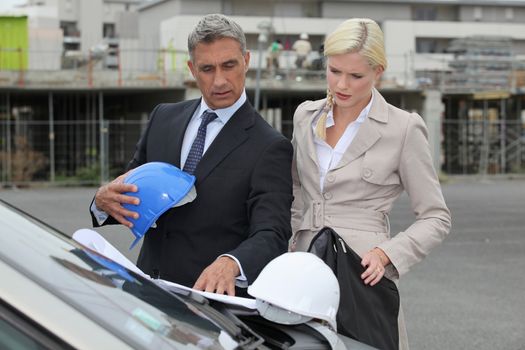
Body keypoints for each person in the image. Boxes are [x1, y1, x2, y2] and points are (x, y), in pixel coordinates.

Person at [90, 13, 293, 297]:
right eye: (207, 68)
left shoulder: (271, 146)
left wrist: (232, 263)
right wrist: (103, 200)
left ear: (246, 61)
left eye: (229, 65)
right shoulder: (163, 117)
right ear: (191, 68)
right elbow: (132, 192)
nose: (219, 80)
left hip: (213, 303)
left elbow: (272, 233)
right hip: (147, 291)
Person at [290, 18, 451, 349]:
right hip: (302, 267)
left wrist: (387, 254)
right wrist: (287, 252)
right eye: (334, 71)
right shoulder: (305, 116)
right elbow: (294, 196)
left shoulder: (404, 128)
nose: (342, 84)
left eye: (356, 76)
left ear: (379, 72)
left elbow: (436, 217)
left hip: (363, 271)